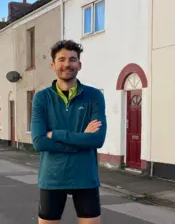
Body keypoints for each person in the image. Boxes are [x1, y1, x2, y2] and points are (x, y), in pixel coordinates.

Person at [31, 40, 107, 224]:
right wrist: (81, 139)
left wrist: (56, 134)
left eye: (72, 59)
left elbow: (97, 139)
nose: (67, 64)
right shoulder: (42, 98)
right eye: (61, 59)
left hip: (85, 176)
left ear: (79, 65)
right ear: (53, 65)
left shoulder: (94, 96)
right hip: (52, 176)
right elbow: (39, 142)